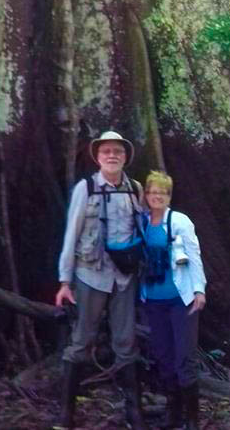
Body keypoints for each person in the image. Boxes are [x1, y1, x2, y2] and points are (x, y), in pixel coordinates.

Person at [54, 131, 148, 430]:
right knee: (81, 341)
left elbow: (143, 229)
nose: (112, 155)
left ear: (125, 157)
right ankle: (66, 414)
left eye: (117, 151)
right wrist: (64, 281)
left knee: (126, 342)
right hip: (90, 274)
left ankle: (135, 413)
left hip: (124, 278)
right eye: (106, 151)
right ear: (97, 156)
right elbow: (71, 234)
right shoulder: (87, 188)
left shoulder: (134, 188)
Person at [141, 170, 206, 430]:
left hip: (181, 300)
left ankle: (192, 420)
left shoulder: (179, 221)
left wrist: (199, 291)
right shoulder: (142, 222)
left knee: (185, 359)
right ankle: (173, 415)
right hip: (153, 301)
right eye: (153, 192)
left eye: (162, 192)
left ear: (169, 196)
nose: (157, 196)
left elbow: (195, 255)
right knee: (164, 358)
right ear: (146, 195)